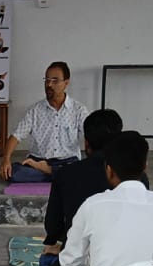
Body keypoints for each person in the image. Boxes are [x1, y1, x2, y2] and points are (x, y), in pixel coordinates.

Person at [47, 131, 153, 266]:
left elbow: (70, 263)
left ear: (109, 170)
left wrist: (94, 261)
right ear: (145, 166)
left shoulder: (93, 205)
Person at [42, 108, 122, 257]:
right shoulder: (136, 178)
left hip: (78, 255)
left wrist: (60, 243)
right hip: (120, 255)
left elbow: (53, 226)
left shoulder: (66, 174)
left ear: (86, 142)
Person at [0, 62, 89, 183]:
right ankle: (58, 174)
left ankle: (49, 171)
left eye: (55, 81)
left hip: (67, 161)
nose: (49, 84)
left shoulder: (78, 110)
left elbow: (90, 135)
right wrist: (6, 159)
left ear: (66, 83)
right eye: (47, 80)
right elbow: (16, 135)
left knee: (81, 170)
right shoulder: (35, 110)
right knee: (14, 172)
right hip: (38, 160)